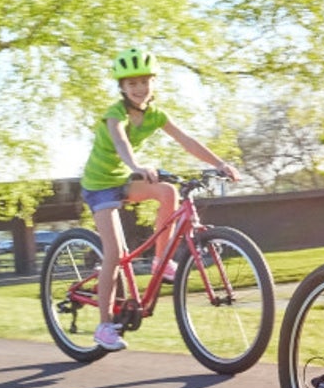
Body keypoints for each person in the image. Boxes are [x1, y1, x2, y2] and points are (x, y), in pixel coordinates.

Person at [81, 48, 239, 352]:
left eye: (144, 82)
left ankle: (159, 262)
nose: (139, 89)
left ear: (153, 82)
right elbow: (120, 141)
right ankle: (103, 327)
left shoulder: (155, 115)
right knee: (114, 252)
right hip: (100, 186)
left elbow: (187, 141)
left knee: (169, 192)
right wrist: (137, 167)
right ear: (122, 88)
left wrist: (220, 164)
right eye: (132, 84)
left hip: (123, 181)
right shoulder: (115, 113)